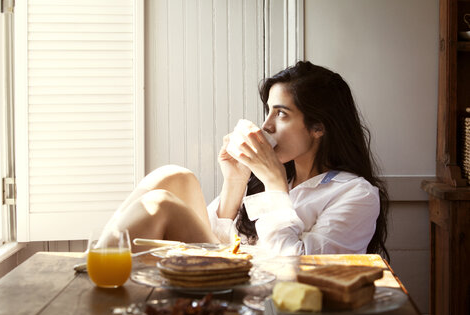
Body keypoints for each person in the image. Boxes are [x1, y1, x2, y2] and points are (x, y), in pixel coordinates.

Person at [100, 61, 389, 260]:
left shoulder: (355, 193)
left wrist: (275, 185)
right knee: (173, 176)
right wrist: (235, 181)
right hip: (226, 272)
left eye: (282, 114)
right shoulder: (271, 176)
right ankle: (97, 263)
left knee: (161, 204)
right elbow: (217, 242)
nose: (267, 126)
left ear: (318, 127)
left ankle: (96, 273)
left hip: (267, 292)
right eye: (268, 112)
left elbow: (300, 269)